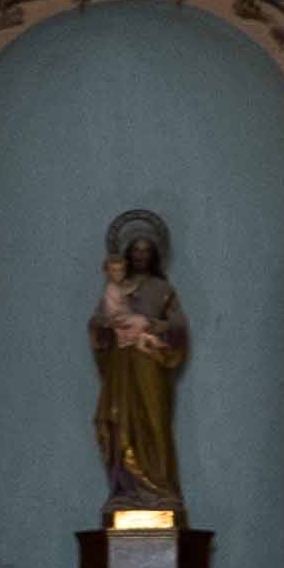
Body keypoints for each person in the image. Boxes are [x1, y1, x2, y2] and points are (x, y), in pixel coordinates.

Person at [90, 210, 189, 515]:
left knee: (153, 421)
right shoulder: (115, 289)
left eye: (147, 250)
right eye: (136, 250)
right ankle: (126, 490)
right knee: (119, 420)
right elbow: (98, 324)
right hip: (122, 366)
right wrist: (108, 328)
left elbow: (178, 328)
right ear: (126, 255)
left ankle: (160, 489)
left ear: (155, 254)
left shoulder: (163, 290)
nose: (141, 255)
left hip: (150, 363)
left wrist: (147, 324)